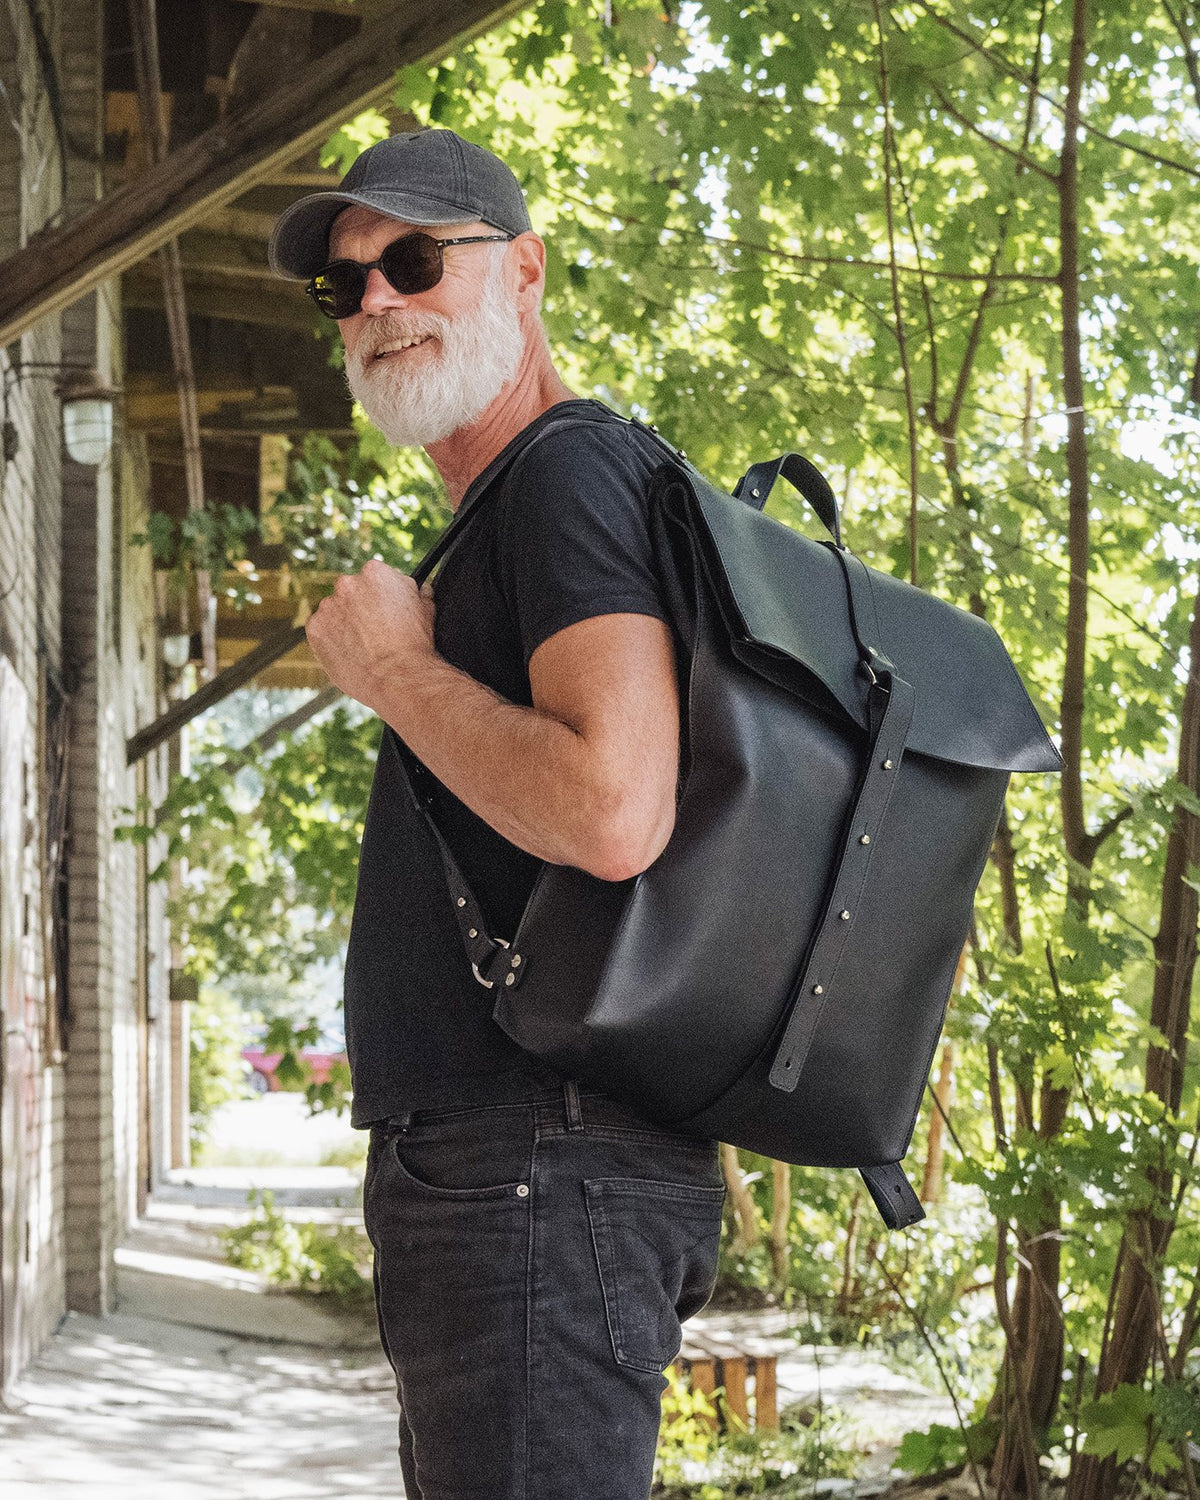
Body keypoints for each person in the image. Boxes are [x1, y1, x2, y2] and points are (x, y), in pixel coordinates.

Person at [267, 127, 725, 1500]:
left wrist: (395, 672)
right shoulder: (514, 507)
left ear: (522, 273)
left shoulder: (568, 475)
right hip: (521, 1170)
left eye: (414, 260)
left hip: (542, 1166)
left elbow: (612, 808)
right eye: (346, 290)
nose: (378, 306)